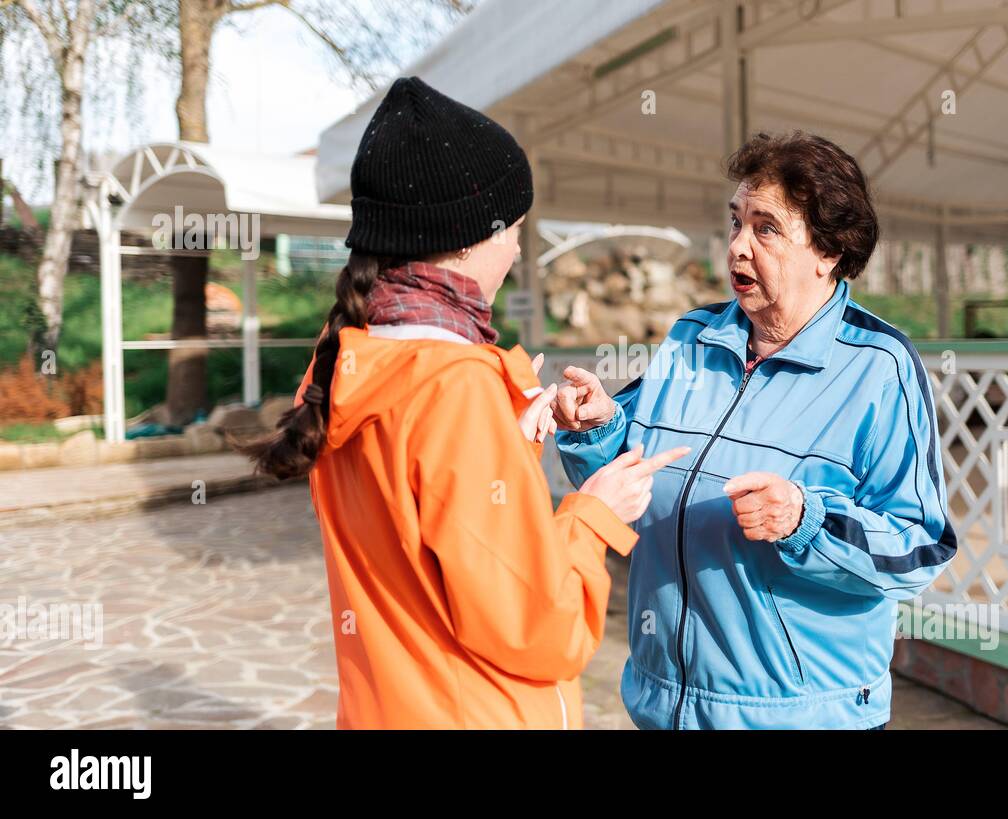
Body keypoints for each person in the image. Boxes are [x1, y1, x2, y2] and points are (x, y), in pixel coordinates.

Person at [240, 77, 687, 729]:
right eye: (515, 229)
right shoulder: (456, 388)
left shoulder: (346, 359)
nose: (517, 247)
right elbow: (538, 626)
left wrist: (506, 442)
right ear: (471, 237)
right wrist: (594, 514)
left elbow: (420, 532)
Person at [554, 131, 957, 730]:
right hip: (663, 705)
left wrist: (805, 520)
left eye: (766, 229)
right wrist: (598, 427)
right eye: (736, 222)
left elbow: (919, 548)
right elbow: (630, 472)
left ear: (829, 252)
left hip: (801, 716)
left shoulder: (880, 367)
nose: (738, 247)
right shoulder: (691, 338)